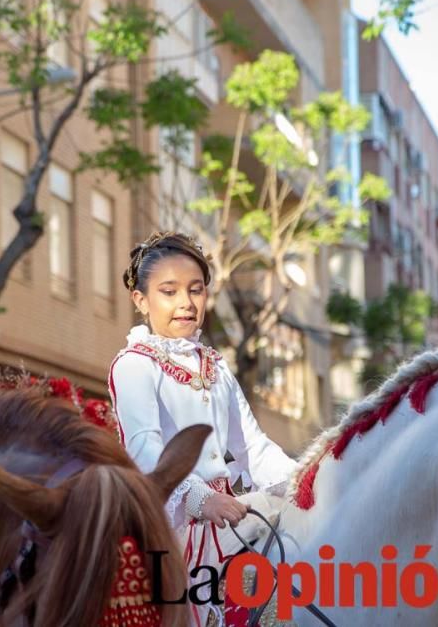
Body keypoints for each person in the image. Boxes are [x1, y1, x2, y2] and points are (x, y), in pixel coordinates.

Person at [109, 231, 298, 625]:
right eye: (169, 291)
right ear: (140, 300)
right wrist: (200, 500)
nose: (185, 303)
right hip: (168, 526)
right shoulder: (133, 365)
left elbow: (252, 446)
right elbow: (144, 452)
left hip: (226, 525)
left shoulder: (216, 365)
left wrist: (303, 481)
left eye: (196, 290)